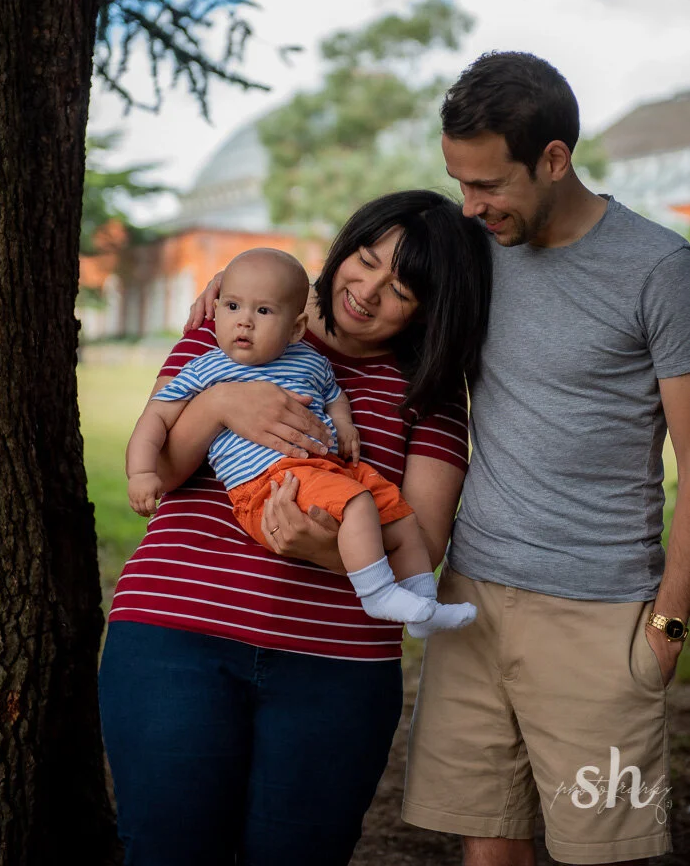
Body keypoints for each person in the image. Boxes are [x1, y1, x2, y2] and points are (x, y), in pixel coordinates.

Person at [99, 190, 492, 866]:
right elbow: (159, 469)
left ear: (432, 306)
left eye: (399, 288)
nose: (366, 291)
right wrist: (221, 403)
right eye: (364, 261)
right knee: (167, 850)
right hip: (176, 638)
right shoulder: (231, 325)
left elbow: (419, 545)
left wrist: (329, 554)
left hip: (334, 668)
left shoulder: (428, 393)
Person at [402, 52, 690, 866]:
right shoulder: (472, 247)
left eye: (487, 184)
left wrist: (666, 628)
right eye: (457, 182)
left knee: (602, 853)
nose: (469, 205)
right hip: (472, 602)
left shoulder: (660, 272)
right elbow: (357, 293)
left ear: (554, 159)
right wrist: (237, 298)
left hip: (599, 618)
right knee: (488, 850)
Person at [126, 246, 476, 635]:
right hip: (267, 483)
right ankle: (378, 595)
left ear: (296, 326)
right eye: (233, 307)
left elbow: (333, 395)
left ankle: (423, 608)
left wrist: (345, 426)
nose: (244, 322)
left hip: (325, 474)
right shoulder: (209, 361)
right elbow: (155, 419)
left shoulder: (309, 358)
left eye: (400, 289)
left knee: (400, 518)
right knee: (359, 504)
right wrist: (144, 470)